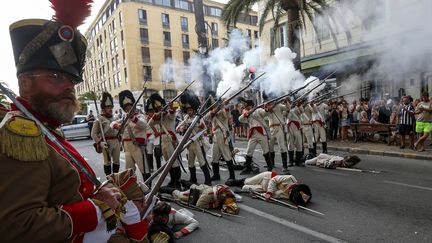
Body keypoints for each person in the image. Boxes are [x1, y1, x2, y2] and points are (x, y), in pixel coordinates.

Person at [0, 7, 148, 241]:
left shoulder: (44, 127)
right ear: (25, 83)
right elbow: (19, 225)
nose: (68, 87)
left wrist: (101, 194)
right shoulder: (21, 134)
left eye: (71, 79)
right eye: (56, 77)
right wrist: (97, 206)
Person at [111, 90, 150, 183]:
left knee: (144, 169)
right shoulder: (124, 118)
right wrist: (116, 125)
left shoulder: (140, 116)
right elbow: (112, 123)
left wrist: (133, 118)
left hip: (137, 146)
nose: (128, 109)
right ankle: (133, 190)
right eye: (126, 108)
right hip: (127, 148)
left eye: (129, 107)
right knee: (129, 172)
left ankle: (148, 188)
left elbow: (144, 125)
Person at [176, 91, 212, 185]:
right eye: (188, 110)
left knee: (201, 161)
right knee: (190, 162)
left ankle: (208, 180)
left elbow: (203, 128)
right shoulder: (186, 118)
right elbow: (178, 128)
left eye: (191, 110)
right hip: (189, 143)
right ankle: (193, 179)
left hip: (197, 142)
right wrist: (181, 128)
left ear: (194, 110)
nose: (189, 112)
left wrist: (199, 124)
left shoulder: (198, 117)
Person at [148, 93, 182, 188]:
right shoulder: (160, 116)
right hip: (163, 140)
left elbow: (174, 110)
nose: (159, 108)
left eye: (160, 107)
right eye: (157, 108)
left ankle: (177, 183)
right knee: (168, 162)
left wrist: (170, 107)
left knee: (174, 162)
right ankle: (172, 181)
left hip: (170, 139)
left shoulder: (169, 113)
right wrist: (158, 114)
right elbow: (150, 123)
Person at [225, 171, 312, 206]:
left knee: (247, 189)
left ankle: (240, 188)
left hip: (265, 189)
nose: (288, 193)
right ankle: (236, 181)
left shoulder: (288, 196)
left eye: (290, 195)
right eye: (290, 192)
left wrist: (261, 196)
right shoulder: (290, 178)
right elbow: (273, 180)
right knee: (247, 182)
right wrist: (269, 192)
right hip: (267, 177)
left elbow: (275, 195)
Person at [204, 92, 237, 182]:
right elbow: (206, 118)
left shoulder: (223, 111)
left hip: (223, 135)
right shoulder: (212, 113)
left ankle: (232, 176)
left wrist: (224, 106)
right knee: (215, 157)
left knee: (227, 156)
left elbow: (227, 115)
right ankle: (216, 175)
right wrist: (216, 109)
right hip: (215, 137)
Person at [239, 98, 272, 173]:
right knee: (249, 151)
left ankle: (270, 166)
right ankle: (247, 167)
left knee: (265, 150)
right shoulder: (247, 114)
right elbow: (240, 119)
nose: (245, 107)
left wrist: (266, 109)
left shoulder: (258, 110)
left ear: (250, 106)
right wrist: (245, 113)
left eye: (246, 105)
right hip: (252, 134)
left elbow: (265, 113)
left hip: (261, 133)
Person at [161, 183, 240, 215]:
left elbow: (230, 199)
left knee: (195, 186)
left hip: (203, 188)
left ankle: (185, 182)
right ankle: (163, 189)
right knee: (180, 196)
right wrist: (212, 205)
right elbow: (199, 205)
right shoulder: (209, 195)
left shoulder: (227, 193)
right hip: (198, 194)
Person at [91, 92, 121, 175]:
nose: (110, 109)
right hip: (106, 142)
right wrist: (99, 143)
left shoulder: (115, 118)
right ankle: (109, 179)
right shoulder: (99, 120)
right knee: (107, 163)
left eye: (111, 107)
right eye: (108, 107)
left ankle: (116, 178)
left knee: (116, 162)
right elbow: (93, 134)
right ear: (103, 109)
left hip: (116, 141)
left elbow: (120, 131)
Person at [264, 94, 290, 172]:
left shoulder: (279, 105)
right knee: (270, 148)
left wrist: (286, 102)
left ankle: (285, 166)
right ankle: (272, 164)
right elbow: (264, 113)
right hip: (271, 129)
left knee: (282, 147)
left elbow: (288, 108)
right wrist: (267, 108)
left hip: (279, 128)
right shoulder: (265, 107)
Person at [287, 99, 305, 166]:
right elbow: (286, 114)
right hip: (290, 129)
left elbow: (302, 111)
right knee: (290, 146)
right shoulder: (287, 109)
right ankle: (291, 161)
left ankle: (298, 162)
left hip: (297, 129)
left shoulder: (297, 109)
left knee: (299, 145)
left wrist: (299, 105)